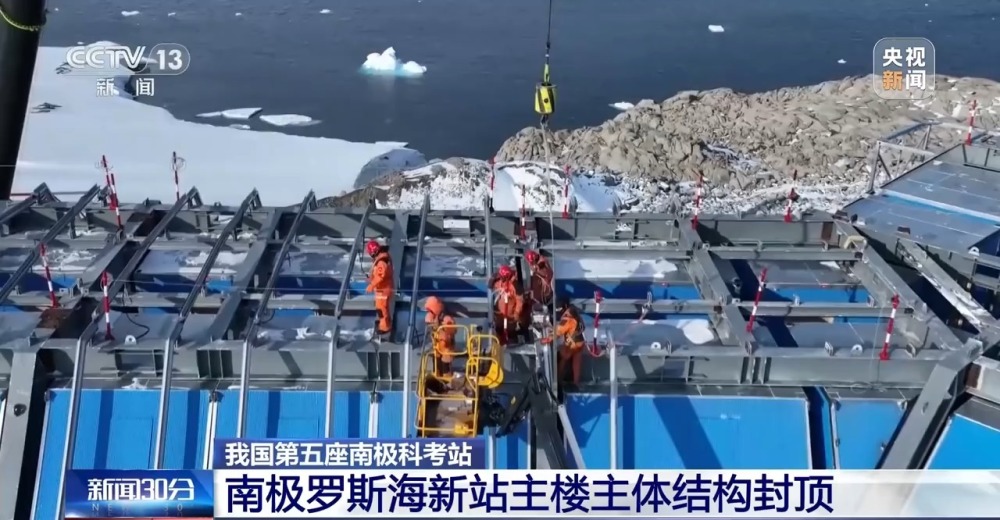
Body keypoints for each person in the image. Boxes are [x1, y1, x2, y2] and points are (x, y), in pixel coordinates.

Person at [549, 297, 586, 386]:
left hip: (571, 345)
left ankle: (557, 381)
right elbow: (583, 327)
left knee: (562, 358)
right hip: (580, 343)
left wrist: (548, 337)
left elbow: (558, 331)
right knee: (576, 365)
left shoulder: (567, 318)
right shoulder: (575, 312)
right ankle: (576, 383)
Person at [365, 239, 394, 335]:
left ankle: (385, 327)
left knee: (381, 309)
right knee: (382, 308)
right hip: (383, 288)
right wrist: (371, 279)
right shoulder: (383, 259)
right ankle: (385, 323)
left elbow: (381, 275)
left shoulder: (381, 261)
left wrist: (372, 285)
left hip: (383, 290)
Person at [490, 264, 523, 345]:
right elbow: (491, 286)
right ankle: (499, 343)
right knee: (499, 328)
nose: (501, 278)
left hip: (510, 314)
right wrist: (492, 279)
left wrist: (516, 313)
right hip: (500, 312)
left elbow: (520, 301)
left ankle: (513, 344)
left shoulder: (515, 286)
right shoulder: (500, 282)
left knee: (511, 330)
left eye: (502, 277)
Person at [424, 296, 457, 375]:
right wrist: (432, 323)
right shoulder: (432, 317)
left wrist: (443, 326)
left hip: (446, 348)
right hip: (436, 347)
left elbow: (452, 331)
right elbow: (429, 326)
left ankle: (446, 376)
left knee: (446, 367)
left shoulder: (447, 319)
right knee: (436, 367)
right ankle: (438, 375)